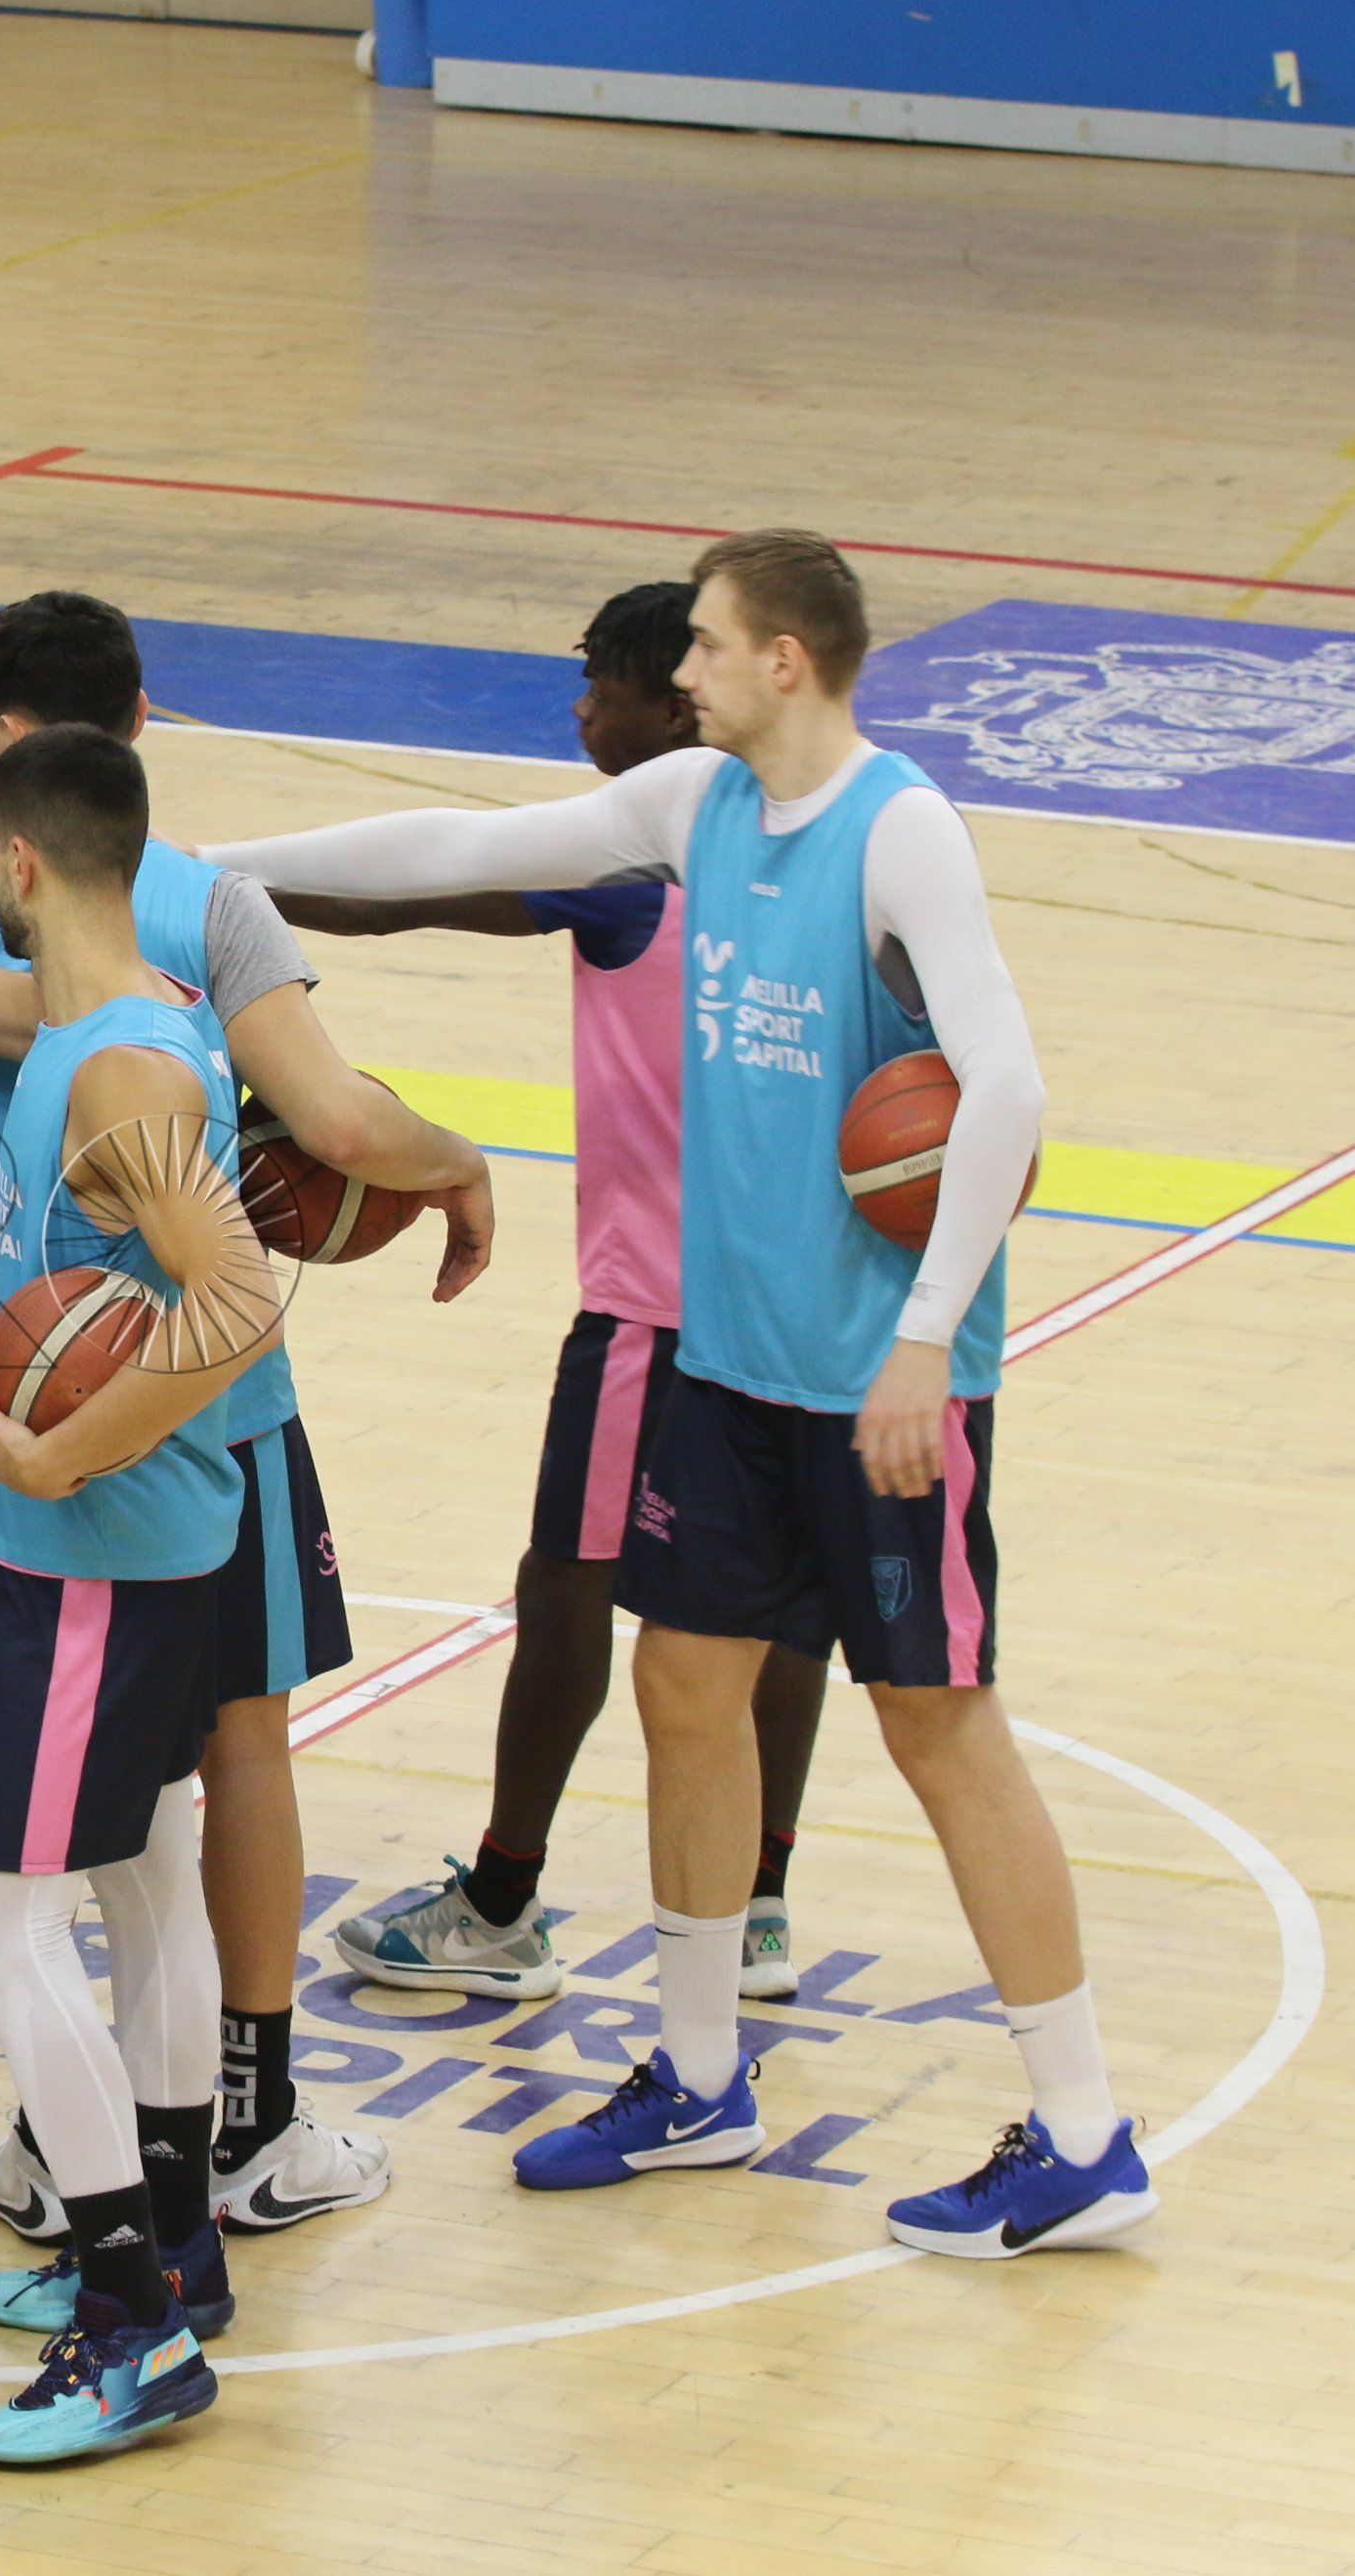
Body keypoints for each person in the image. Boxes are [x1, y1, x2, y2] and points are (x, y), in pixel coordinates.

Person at [202, 530, 1153, 2259]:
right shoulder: (693, 806)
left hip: (873, 1384)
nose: (683, 668)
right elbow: (459, 847)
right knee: (687, 1687)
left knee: (942, 1725)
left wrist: (926, 1339)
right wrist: (200, 876)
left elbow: (1006, 1092)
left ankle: (1082, 2125)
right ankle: (699, 2077)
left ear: (786, 657)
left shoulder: (899, 830)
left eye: (708, 644)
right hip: (722, 1366)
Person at [0, 590, 476, 2240]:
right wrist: (455, 1163)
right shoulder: (203, 910)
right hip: (210, 1435)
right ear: (139, 720)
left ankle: (102, 2164)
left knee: (67, 1845)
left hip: (32, 1436)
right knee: (222, 1758)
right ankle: (235, 2120)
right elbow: (333, 1117)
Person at [0, 726, 297, 2466]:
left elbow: (241, 1305)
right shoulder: (110, 1017)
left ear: (16, 861)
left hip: (90, 1558)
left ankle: (128, 2325)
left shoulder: (123, 1080)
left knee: (0, 1921)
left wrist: (53, 1451)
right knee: (141, 1872)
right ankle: (173, 2242)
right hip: (148, 1553)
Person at [292, 582, 837, 2002]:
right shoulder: (819, 843)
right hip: (798, 1309)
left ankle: (500, 1898)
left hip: (657, 1316)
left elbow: (387, 899)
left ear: (674, 707)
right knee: (777, 1604)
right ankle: (764, 1896)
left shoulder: (630, 868)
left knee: (567, 1587)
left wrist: (195, 888)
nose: (579, 706)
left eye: (598, 681)